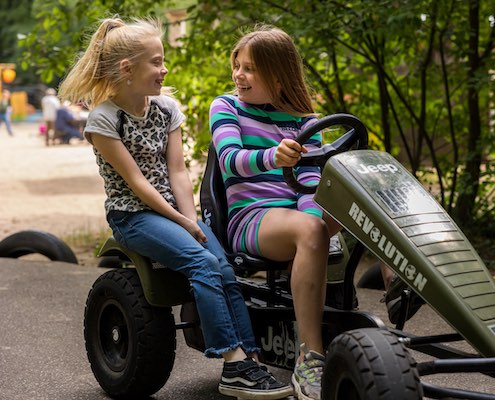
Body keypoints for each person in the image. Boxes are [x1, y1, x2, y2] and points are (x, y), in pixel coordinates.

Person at [58, 17, 293, 400]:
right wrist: (182, 222)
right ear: (127, 69)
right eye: (156, 62)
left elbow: (178, 172)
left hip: (175, 211)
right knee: (201, 264)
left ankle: (250, 358)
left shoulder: (167, 108)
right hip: (133, 215)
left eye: (163, 60)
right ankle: (232, 365)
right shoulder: (104, 119)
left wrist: (193, 220)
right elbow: (137, 183)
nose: (164, 69)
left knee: (223, 267)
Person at [209, 26, 334, 400]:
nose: (238, 75)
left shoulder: (305, 119)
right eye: (237, 66)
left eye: (250, 69)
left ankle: (399, 282)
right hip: (253, 217)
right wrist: (271, 156)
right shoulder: (226, 106)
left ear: (278, 76)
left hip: (297, 214)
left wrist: (312, 216)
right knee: (311, 232)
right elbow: (230, 161)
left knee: (364, 203)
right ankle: (311, 358)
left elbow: (311, 180)